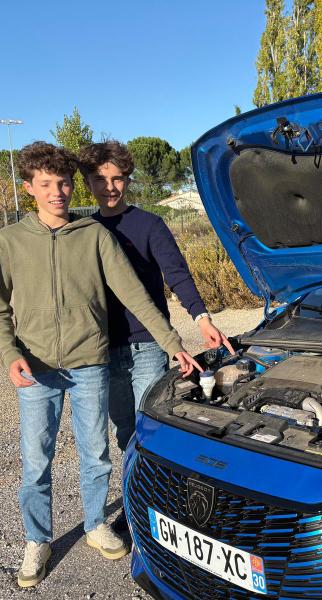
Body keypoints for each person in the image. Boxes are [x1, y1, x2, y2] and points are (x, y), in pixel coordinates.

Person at [0, 142, 202, 588]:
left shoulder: (94, 235)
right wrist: (9, 354)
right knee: (36, 460)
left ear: (72, 185)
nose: (57, 192)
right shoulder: (9, 241)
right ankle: (36, 540)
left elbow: (134, 293)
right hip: (37, 368)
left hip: (89, 364)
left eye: (63, 183)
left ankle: (95, 524)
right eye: (46, 184)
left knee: (95, 454)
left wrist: (172, 342)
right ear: (30, 188)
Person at [78, 141, 233, 457]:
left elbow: (177, 275)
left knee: (150, 426)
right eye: (100, 179)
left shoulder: (150, 225)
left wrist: (202, 319)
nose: (110, 187)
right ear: (87, 183)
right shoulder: (83, 231)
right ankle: (136, 482)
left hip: (147, 345)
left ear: (128, 180)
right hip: (104, 347)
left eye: (117, 178)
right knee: (124, 431)